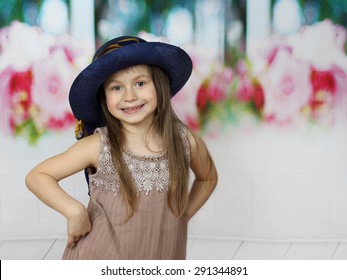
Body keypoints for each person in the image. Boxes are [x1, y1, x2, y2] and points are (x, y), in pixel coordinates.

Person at [25, 36, 218, 260]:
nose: (130, 96)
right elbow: (37, 176)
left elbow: (207, 178)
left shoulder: (185, 142)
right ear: (104, 98)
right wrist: (73, 210)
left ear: (160, 85)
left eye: (140, 83)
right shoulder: (99, 146)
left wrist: (181, 216)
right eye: (116, 87)